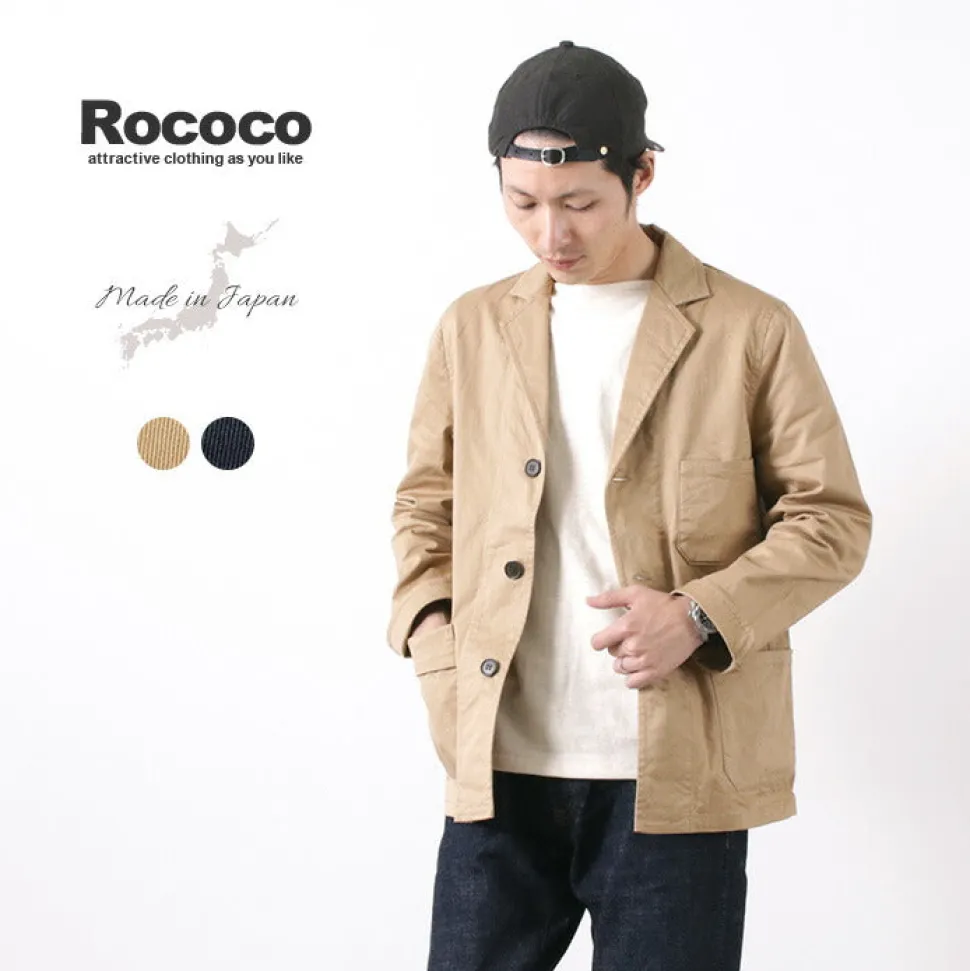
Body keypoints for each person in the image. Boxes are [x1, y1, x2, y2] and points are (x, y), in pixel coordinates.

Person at [386, 39, 872, 971]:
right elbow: (424, 504)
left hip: (675, 776)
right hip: (498, 763)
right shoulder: (472, 326)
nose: (550, 235)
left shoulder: (748, 328)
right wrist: (434, 635)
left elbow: (831, 520)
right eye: (522, 202)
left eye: (579, 204)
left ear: (641, 174)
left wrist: (698, 613)